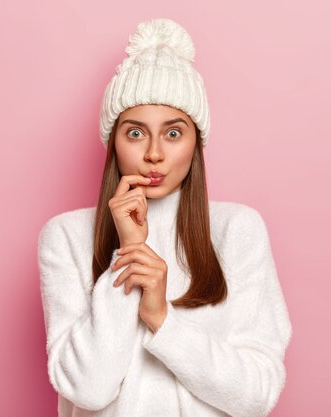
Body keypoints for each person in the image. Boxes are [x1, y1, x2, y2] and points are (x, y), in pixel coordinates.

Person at [37, 18, 292, 417]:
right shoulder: (66, 236)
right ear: (114, 142)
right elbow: (89, 389)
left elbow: (255, 395)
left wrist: (161, 319)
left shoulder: (237, 230)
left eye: (173, 133)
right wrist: (129, 251)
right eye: (135, 133)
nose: (154, 153)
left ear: (196, 142)